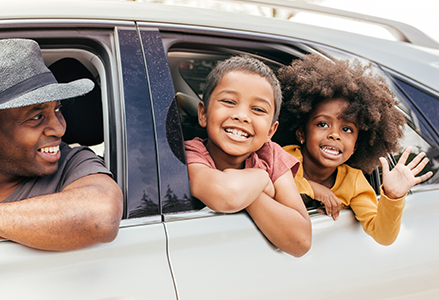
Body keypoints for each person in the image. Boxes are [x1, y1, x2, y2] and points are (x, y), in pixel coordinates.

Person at [0, 38, 123, 251]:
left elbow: (101, 216)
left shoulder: (73, 164)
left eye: (57, 110)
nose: (60, 128)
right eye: (37, 116)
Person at [274, 54, 432, 246]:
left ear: (356, 146)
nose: (335, 135)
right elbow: (269, 180)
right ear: (301, 133)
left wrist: (392, 197)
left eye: (347, 129)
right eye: (323, 124)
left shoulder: (354, 182)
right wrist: (316, 190)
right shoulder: (284, 156)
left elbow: (383, 235)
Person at [184, 55, 311, 257]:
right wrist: (261, 179)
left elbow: (301, 241)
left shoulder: (271, 155)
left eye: (258, 109)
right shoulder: (191, 153)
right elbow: (226, 195)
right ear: (203, 114)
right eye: (228, 101)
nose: (242, 116)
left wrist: (251, 193)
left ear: (271, 131)